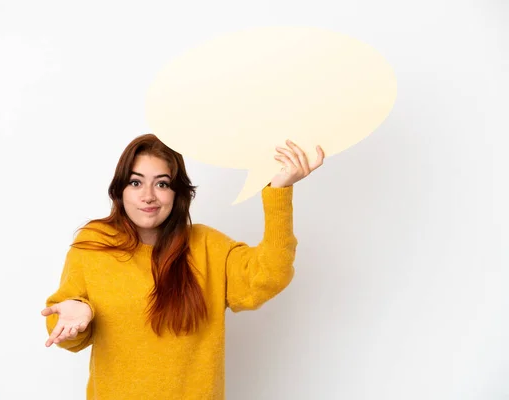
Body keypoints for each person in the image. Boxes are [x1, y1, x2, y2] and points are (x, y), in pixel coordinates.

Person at [41, 133, 325, 399]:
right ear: (120, 189)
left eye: (162, 183)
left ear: (178, 193)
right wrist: (78, 313)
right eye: (136, 182)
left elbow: (270, 275)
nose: (148, 195)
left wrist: (279, 189)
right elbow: (62, 325)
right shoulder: (94, 243)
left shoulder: (207, 246)